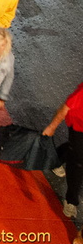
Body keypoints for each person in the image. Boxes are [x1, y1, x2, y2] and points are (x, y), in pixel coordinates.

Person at [42, 82, 83, 219]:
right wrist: (52, 127)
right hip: (78, 125)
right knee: (78, 161)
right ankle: (71, 200)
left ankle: (56, 160)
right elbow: (65, 108)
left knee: (75, 149)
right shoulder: (81, 94)